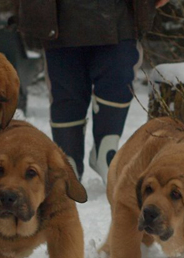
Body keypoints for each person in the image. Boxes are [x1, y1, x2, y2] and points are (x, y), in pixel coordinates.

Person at [16, 0, 170, 182]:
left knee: (118, 77)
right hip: (59, 17)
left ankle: (106, 153)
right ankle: (67, 163)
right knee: (66, 90)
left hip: (119, 16)